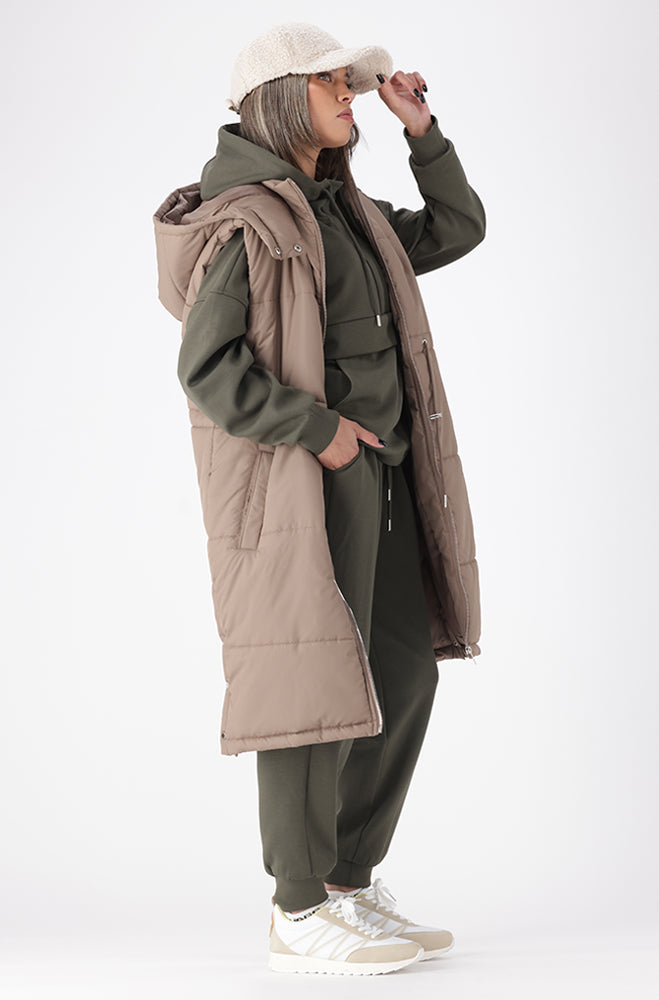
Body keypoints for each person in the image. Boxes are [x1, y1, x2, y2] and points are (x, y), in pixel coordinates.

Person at [153, 21, 485, 976]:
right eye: (332, 83)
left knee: (403, 673)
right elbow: (207, 368)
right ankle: (297, 911)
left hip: (384, 474)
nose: (351, 97)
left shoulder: (345, 211)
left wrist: (421, 131)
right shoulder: (250, 222)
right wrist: (319, 430)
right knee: (312, 685)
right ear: (280, 98)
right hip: (310, 482)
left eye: (352, 83)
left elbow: (457, 229)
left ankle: (345, 881)